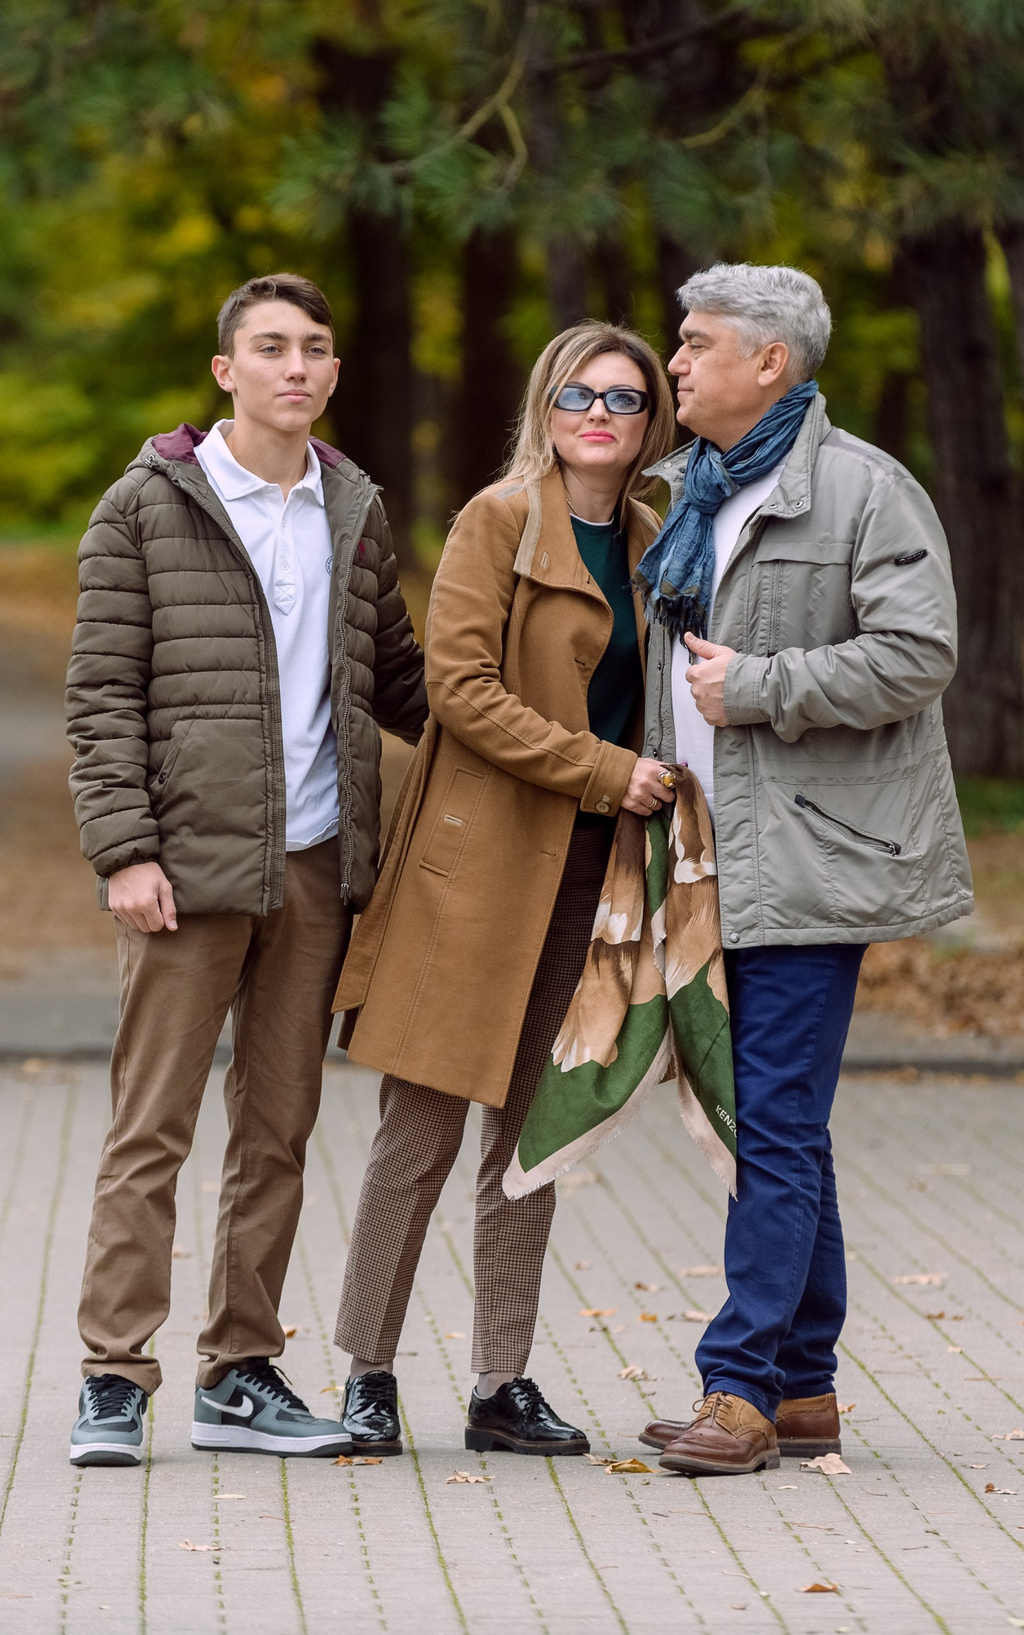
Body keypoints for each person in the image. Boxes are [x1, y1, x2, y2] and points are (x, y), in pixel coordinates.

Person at [64, 273, 429, 1467]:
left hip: (319, 866)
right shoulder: (144, 507)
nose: (296, 368)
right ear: (224, 370)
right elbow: (101, 696)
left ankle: (239, 1372)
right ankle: (114, 1376)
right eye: (269, 348)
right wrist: (124, 851)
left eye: (315, 349)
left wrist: (555, 740)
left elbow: (405, 683)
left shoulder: (354, 507)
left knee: (276, 1131)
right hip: (184, 872)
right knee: (149, 1131)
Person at [631, 264, 973, 1476]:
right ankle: (808, 1386)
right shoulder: (689, 490)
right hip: (701, 855)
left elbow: (918, 652)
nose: (673, 362)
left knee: (770, 1117)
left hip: (809, 856)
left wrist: (760, 689)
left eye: (696, 343)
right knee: (782, 1121)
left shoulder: (862, 489)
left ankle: (738, 1389)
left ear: (770, 362)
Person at [326, 322, 680, 1456]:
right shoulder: (498, 520)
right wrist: (602, 769)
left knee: (528, 1138)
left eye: (625, 401)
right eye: (580, 395)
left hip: (591, 877)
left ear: (650, 425)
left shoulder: (653, 537)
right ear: (546, 404)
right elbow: (458, 689)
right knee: (418, 1132)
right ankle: (366, 1376)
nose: (600, 416)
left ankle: (498, 1384)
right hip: (473, 872)